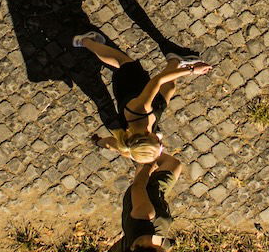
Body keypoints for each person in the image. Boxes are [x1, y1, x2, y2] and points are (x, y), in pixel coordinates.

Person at [73, 31, 211, 163]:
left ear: (148, 136)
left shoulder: (141, 109)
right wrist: (98, 142)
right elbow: (110, 144)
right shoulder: (131, 148)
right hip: (153, 107)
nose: (162, 144)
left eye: (159, 143)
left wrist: (191, 70)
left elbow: (158, 80)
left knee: (121, 60)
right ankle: (175, 59)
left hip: (130, 84)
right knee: (170, 88)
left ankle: (86, 41)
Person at [108, 155, 184, 252]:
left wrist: (149, 164)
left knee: (174, 164)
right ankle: (142, 159)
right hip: (154, 202)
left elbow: (138, 186)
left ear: (151, 250)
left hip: (150, 190)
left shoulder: (145, 215)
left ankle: (146, 151)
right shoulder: (138, 249)